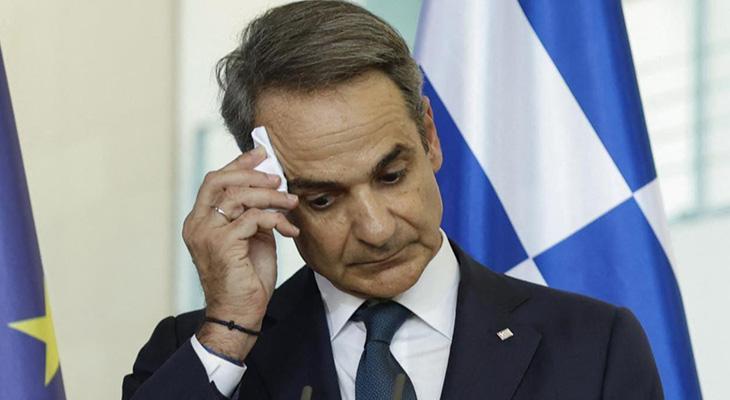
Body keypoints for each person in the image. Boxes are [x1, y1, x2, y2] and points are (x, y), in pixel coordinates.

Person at [122, 1, 663, 399]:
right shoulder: (197, 351)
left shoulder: (594, 345)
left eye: (391, 176)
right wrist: (230, 332)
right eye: (323, 199)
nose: (377, 230)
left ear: (430, 136)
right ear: (268, 191)